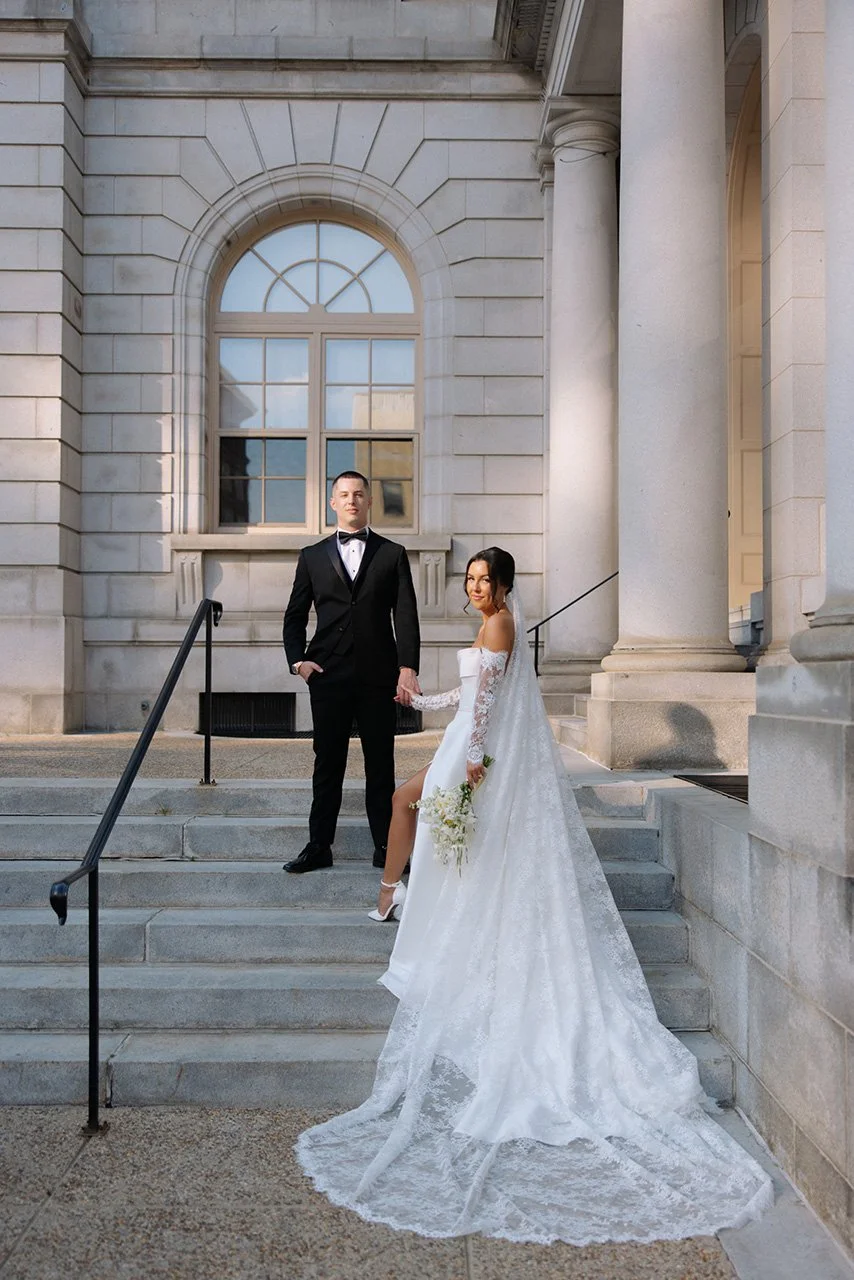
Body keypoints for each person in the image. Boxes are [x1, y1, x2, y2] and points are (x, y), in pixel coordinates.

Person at [296, 546, 774, 1244]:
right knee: (445, 834)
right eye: (471, 581)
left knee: (419, 809)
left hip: (476, 751)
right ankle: (397, 897)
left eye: (486, 581)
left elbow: (486, 712)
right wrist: (424, 701)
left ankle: (394, 899)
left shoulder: (499, 629)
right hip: (470, 742)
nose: (477, 589)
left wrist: (469, 768)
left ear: (506, 586)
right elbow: (471, 697)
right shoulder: (494, 629)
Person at [282, 471, 421, 873]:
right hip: (327, 675)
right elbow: (294, 617)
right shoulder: (311, 556)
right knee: (327, 764)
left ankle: (385, 847)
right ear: (332, 503)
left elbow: (406, 616)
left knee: (381, 764)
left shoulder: (393, 554)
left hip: (379, 678)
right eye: (343, 494)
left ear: (369, 501)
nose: (351, 500)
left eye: (358, 494)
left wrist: (407, 668)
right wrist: (299, 662)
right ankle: (318, 846)